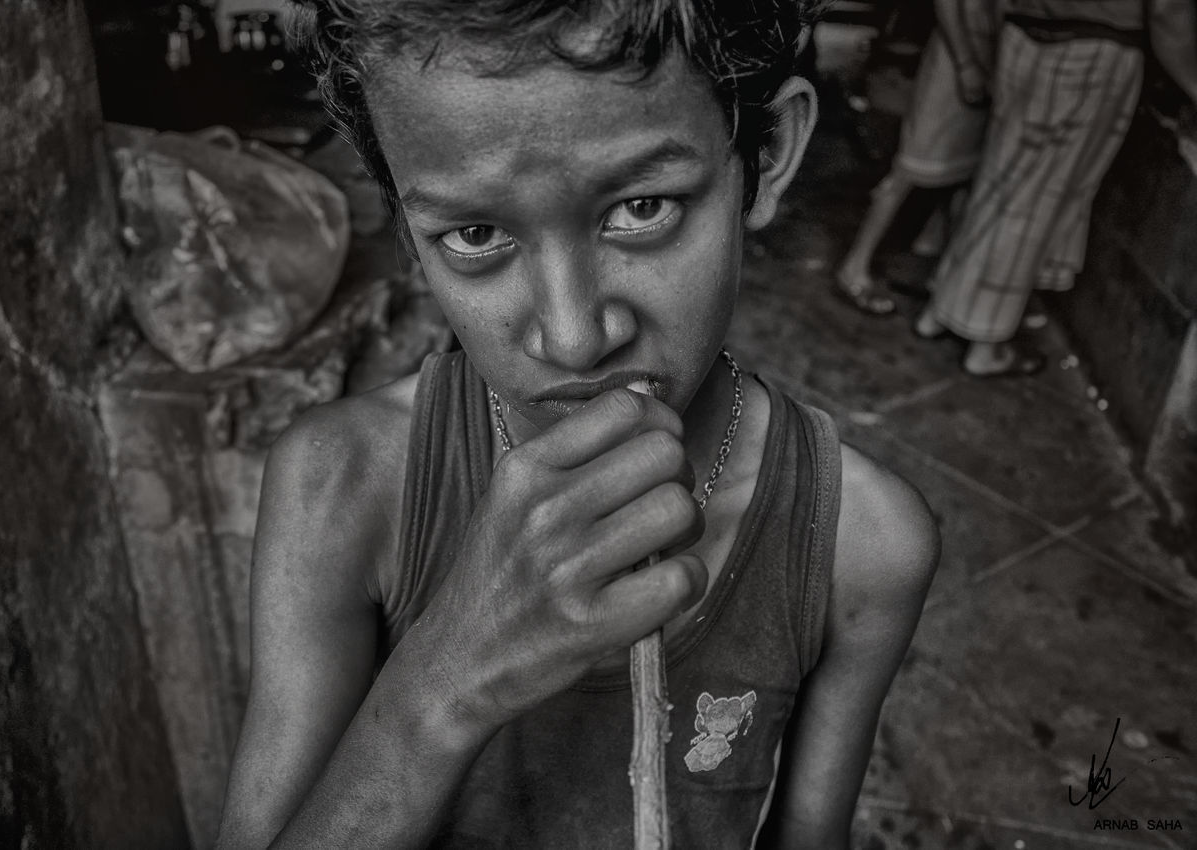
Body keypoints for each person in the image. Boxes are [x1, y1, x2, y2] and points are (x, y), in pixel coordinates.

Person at [215, 2, 939, 848]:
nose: (574, 336)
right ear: (406, 223)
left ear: (766, 153)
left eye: (642, 209)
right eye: (476, 232)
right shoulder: (340, 486)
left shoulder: (863, 542)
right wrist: (444, 685)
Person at [914, 0, 1197, 376]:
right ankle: (987, 343)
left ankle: (940, 310)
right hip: (1088, 49)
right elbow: (1168, 11)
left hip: (1022, 34)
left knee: (999, 179)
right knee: (1036, 198)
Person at [835, 0, 998, 315]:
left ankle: (935, 272)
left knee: (961, 175)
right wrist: (966, 64)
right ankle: (854, 267)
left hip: (986, 63)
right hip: (957, 64)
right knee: (908, 171)